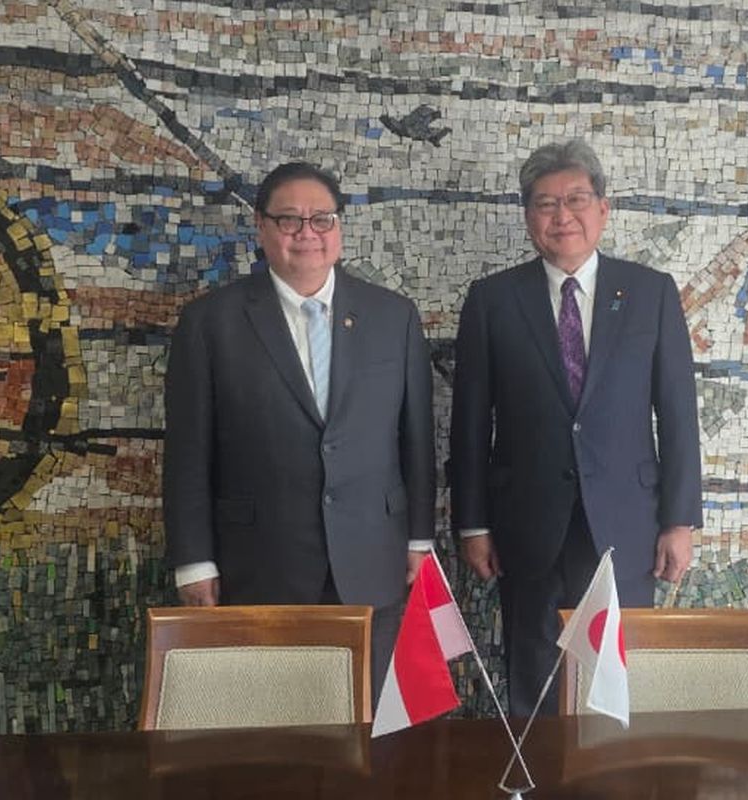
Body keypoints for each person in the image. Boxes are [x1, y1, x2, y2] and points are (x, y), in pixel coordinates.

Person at [449, 139, 703, 717]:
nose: (562, 216)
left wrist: (680, 520)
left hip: (626, 522)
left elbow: (678, 413)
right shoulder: (492, 300)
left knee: (616, 676)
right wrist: (472, 523)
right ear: (527, 218)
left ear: (603, 210)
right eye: (544, 204)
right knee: (534, 672)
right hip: (526, 523)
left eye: (576, 199)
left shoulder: (650, 293)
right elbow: (470, 423)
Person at [163, 162, 436, 693]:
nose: (307, 234)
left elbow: (416, 440)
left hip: (373, 560)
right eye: (289, 220)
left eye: (322, 219)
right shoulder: (210, 323)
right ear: (261, 229)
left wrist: (420, 539)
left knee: (370, 722)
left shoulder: (393, 317)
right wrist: (194, 562)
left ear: (340, 229)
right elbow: (188, 454)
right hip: (262, 565)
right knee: (278, 730)